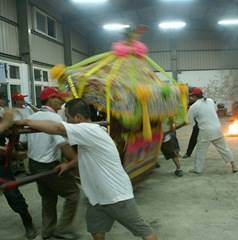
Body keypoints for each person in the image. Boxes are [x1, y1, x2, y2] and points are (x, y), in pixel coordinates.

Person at [16, 98, 158, 240]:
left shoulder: (88, 129)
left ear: (77, 117)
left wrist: (26, 122)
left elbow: (58, 128)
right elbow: (84, 155)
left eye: (68, 117)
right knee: (96, 231)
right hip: (97, 198)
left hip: (116, 196)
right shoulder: (90, 132)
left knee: (144, 232)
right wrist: (69, 164)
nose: (66, 121)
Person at [26, 87, 80, 239]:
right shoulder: (54, 118)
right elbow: (62, 145)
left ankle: (47, 231)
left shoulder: (33, 116)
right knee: (73, 193)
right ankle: (62, 229)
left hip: (33, 164)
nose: (62, 101)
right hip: (47, 165)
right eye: (58, 98)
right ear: (49, 99)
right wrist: (75, 160)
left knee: (48, 197)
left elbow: (25, 142)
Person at [0, 110, 38, 239]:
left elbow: (10, 137)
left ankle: (28, 224)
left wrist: (14, 151)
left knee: (14, 196)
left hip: (2, 168)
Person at [188, 87, 237, 174]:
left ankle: (198, 169)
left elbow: (191, 122)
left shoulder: (193, 107)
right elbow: (214, 111)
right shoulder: (210, 101)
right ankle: (233, 165)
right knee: (224, 149)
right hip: (217, 128)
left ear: (195, 96)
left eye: (191, 96)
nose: (190, 98)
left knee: (200, 150)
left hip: (205, 131)